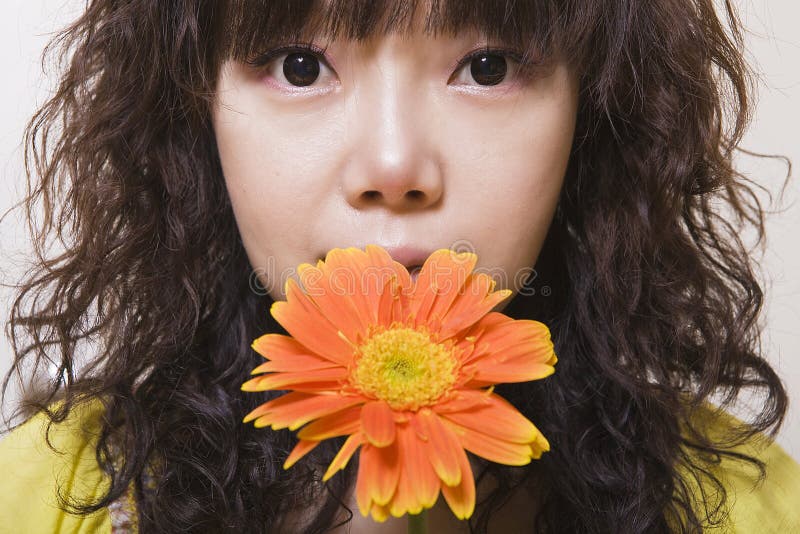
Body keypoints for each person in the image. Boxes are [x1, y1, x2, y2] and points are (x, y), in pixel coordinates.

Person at [1, 1, 798, 532]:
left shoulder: (760, 508)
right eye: (300, 66)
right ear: (192, 116)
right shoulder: (34, 497)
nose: (393, 165)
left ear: (593, 117)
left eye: (487, 67)